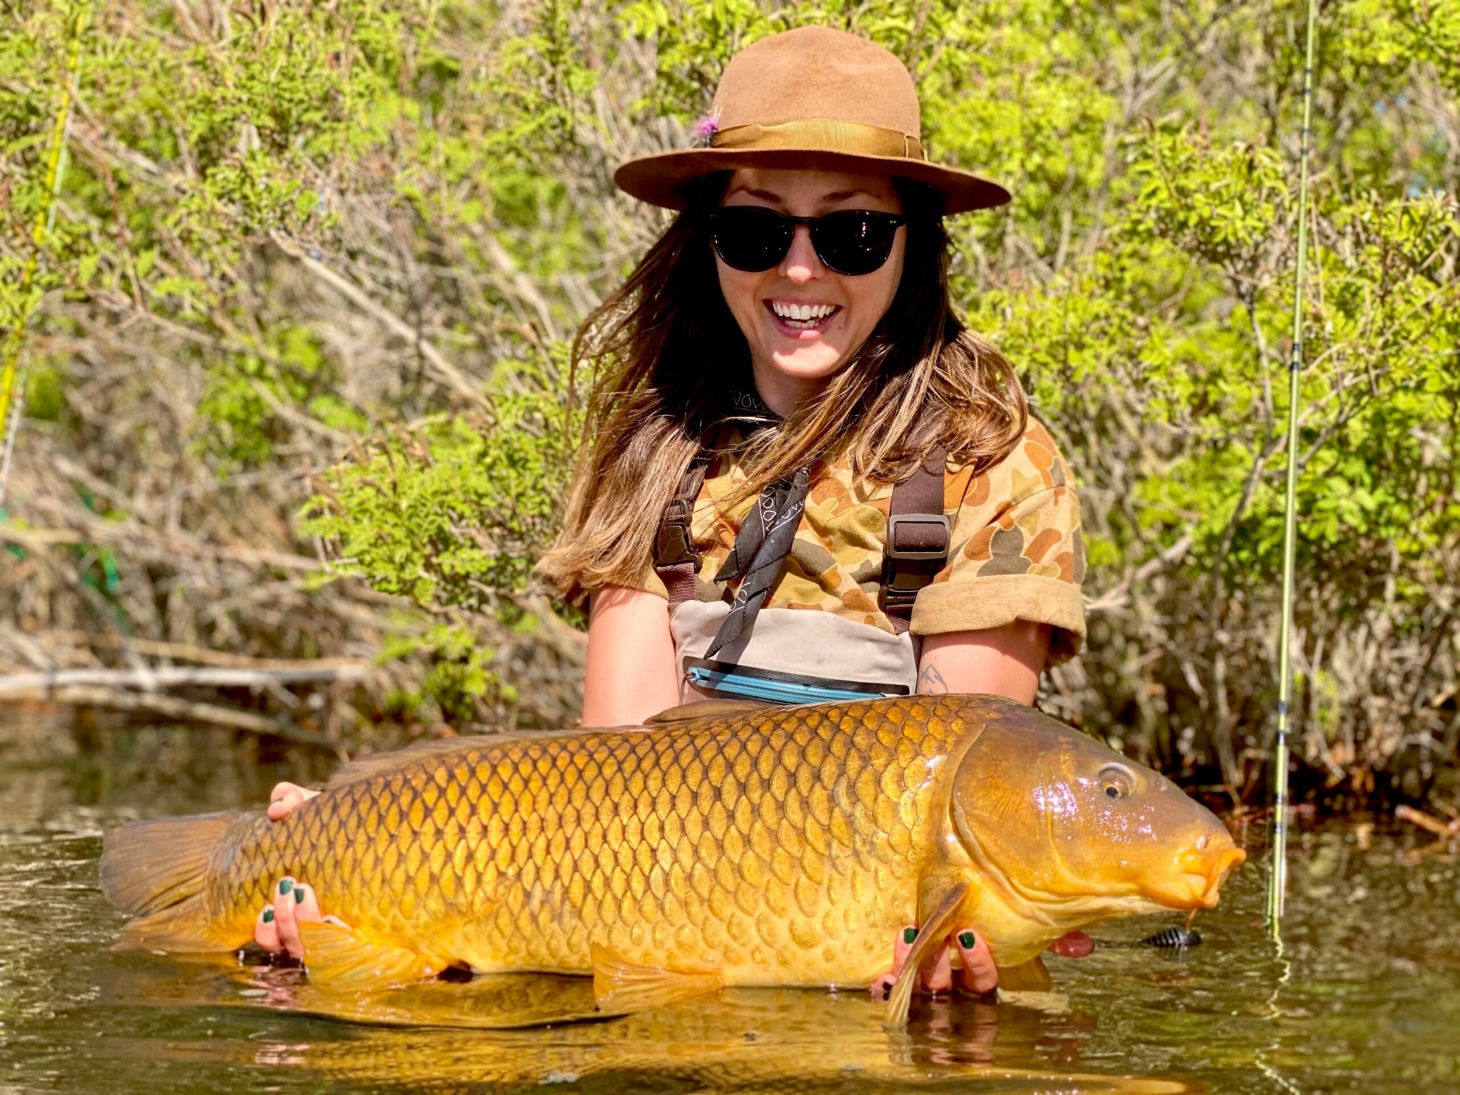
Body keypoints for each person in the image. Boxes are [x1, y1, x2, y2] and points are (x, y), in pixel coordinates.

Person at [257, 25, 1092, 996]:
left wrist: (946, 941)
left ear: (917, 242)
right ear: (707, 243)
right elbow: (609, 790)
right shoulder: (653, 449)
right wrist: (361, 845)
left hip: (882, 964)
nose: (799, 269)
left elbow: (973, 791)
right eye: (755, 230)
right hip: (665, 942)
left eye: (852, 232)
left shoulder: (993, 459)